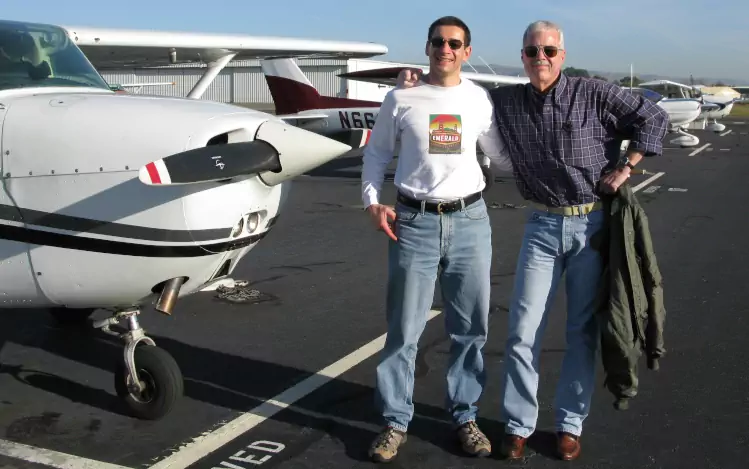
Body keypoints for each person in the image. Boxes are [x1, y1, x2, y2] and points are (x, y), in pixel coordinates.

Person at [395, 20, 669, 461]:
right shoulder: (504, 101)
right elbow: (453, 91)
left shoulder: (593, 93)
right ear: (521, 56)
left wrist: (628, 165)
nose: (539, 59)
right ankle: (519, 425)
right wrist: (415, 80)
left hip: (591, 225)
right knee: (523, 330)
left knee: (581, 329)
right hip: (542, 227)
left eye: (548, 51)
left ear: (562, 55)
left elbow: (653, 115)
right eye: (531, 52)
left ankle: (568, 425)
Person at [361, 15, 513, 464]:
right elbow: (376, 155)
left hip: (469, 221)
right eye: (437, 42)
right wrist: (372, 201)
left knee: (470, 329)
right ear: (427, 48)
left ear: (467, 51)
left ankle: (465, 416)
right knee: (404, 331)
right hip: (414, 222)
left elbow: (500, 156)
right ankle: (394, 421)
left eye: (454, 43)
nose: (445, 49)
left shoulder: (478, 99)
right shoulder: (401, 97)